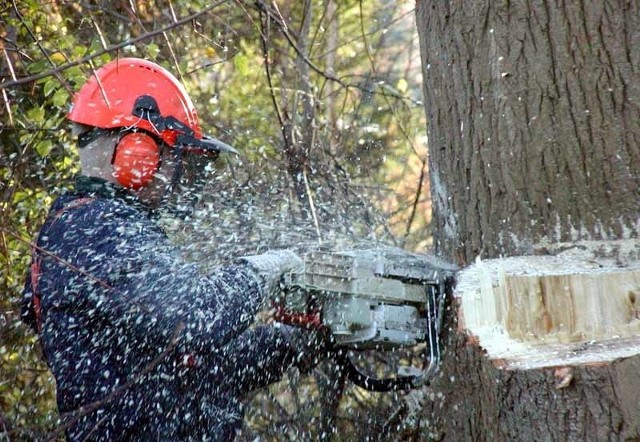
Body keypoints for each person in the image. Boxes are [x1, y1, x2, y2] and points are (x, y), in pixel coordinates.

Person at [21, 58, 330, 441]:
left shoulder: (103, 230)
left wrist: (293, 341)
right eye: (172, 158)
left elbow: (198, 370)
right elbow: (199, 317)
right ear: (137, 153)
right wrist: (263, 269)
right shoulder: (94, 231)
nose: (176, 175)